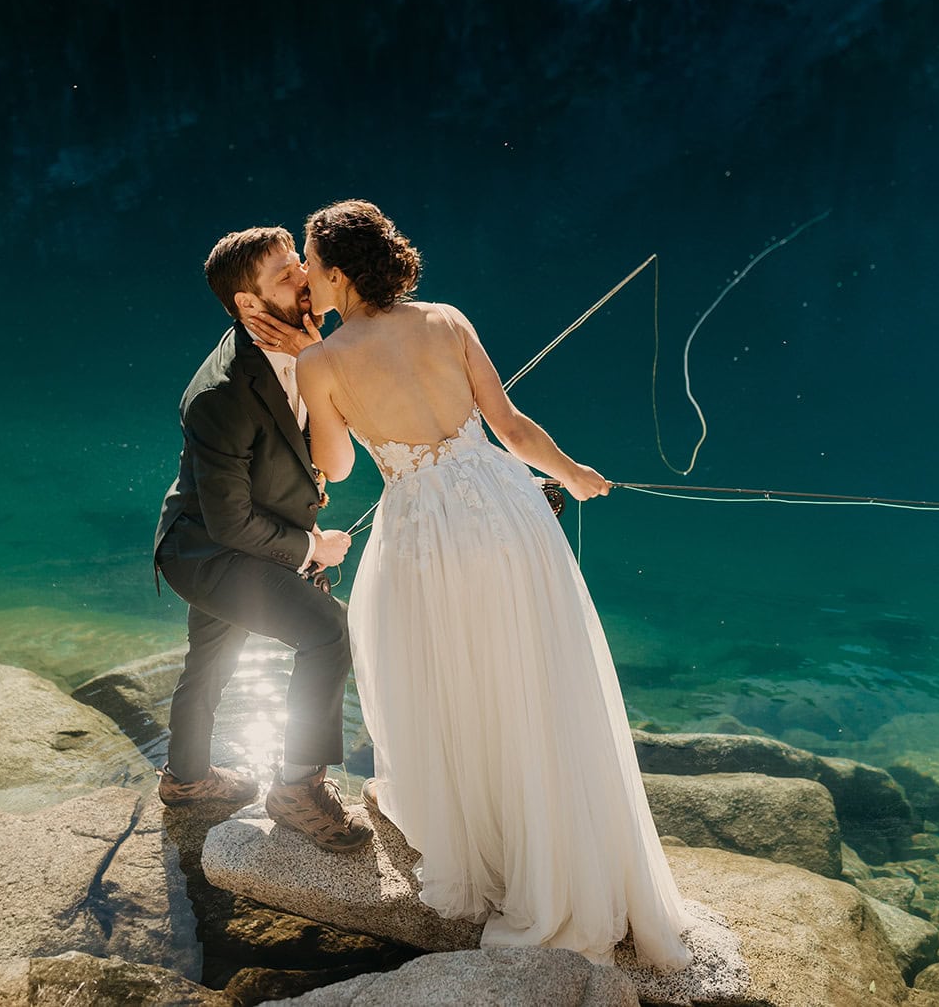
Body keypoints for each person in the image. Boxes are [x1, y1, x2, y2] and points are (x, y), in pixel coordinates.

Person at [252, 200, 694, 969]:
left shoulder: (322, 359)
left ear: (340, 273)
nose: (309, 285)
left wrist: (313, 363)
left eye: (316, 270)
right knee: (534, 677)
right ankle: (567, 854)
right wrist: (575, 476)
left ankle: (484, 840)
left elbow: (342, 464)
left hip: (426, 532)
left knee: (440, 677)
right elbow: (512, 426)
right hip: (509, 510)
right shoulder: (448, 320)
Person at [152, 225, 374, 853]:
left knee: (212, 660)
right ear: (248, 305)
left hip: (233, 537)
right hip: (208, 551)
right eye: (285, 276)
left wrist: (314, 350)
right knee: (329, 631)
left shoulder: (296, 344)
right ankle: (298, 789)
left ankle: (186, 781)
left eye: (297, 266)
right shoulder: (219, 397)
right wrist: (312, 550)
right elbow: (229, 525)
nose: (304, 278)